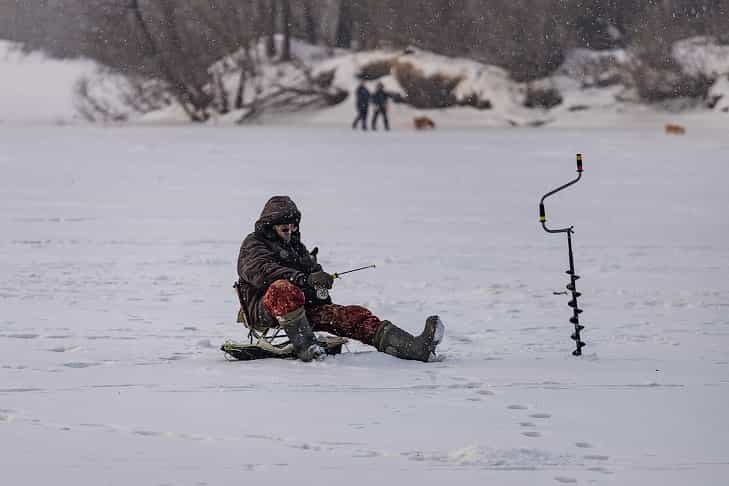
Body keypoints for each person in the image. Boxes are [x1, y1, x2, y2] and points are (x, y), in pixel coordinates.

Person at [237, 196, 444, 362]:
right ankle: (307, 348)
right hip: (265, 308)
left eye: (292, 227)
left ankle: (413, 348)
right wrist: (304, 279)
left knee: (352, 315)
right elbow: (262, 272)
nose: (289, 232)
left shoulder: (297, 248)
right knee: (282, 288)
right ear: (271, 225)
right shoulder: (254, 243)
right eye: (284, 228)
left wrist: (320, 283)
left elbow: (312, 275)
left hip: (303, 308)